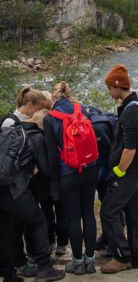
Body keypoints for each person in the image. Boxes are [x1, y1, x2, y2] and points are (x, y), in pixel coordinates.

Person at [0, 101, 65, 282]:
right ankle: (45, 268)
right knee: (38, 222)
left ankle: (11, 273)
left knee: (5, 231)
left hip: (1, 190)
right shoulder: (36, 137)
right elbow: (44, 169)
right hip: (16, 191)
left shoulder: (8, 131)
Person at [43, 82, 98, 275]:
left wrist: (54, 186)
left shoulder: (50, 119)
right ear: (69, 94)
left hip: (68, 173)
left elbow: (52, 156)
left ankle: (77, 262)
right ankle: (90, 261)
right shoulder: (81, 109)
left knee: (74, 218)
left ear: (53, 98)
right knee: (89, 214)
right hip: (90, 169)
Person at [100, 64, 138, 274]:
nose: (109, 92)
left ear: (118, 86)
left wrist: (118, 172)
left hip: (128, 170)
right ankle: (137, 254)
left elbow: (129, 149)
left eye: (109, 88)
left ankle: (122, 257)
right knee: (133, 209)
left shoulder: (131, 112)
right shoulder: (137, 104)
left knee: (109, 211)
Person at [30, 110, 69, 257]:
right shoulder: (54, 135)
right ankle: (62, 243)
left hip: (41, 180)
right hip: (57, 177)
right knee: (61, 210)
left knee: (47, 211)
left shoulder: (35, 138)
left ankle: (50, 240)